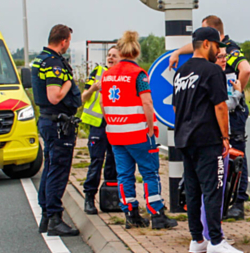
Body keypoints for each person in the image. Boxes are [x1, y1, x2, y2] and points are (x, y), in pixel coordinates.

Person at [170, 15, 250, 220]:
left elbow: (246, 70)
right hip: (209, 123)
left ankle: (237, 201)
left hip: (230, 112)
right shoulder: (206, 60)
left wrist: (237, 93)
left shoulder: (230, 50)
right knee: (208, 177)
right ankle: (212, 228)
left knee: (235, 155)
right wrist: (178, 51)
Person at [101, 31, 177, 230]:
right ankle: (157, 214)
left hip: (115, 133)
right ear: (135, 52)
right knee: (149, 173)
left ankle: (130, 214)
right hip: (137, 133)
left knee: (124, 175)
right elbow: (147, 102)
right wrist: (151, 127)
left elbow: (103, 103)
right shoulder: (139, 74)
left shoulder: (107, 75)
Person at [31, 24, 82, 237]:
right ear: (64, 41)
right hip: (58, 124)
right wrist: (69, 83)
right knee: (58, 170)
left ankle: (46, 215)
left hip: (48, 121)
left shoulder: (39, 59)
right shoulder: (53, 64)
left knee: (50, 166)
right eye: (69, 41)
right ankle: (54, 218)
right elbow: (55, 96)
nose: (68, 45)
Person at [78, 46, 120, 214]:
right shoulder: (98, 72)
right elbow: (83, 98)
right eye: (108, 55)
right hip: (98, 124)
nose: (110, 58)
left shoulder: (122, 75)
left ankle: (111, 198)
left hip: (116, 123)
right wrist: (94, 88)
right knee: (96, 161)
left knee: (114, 160)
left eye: (114, 56)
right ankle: (89, 197)